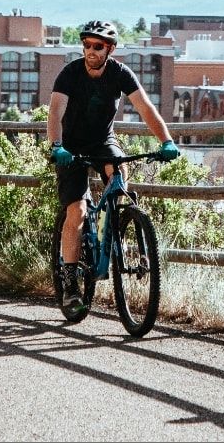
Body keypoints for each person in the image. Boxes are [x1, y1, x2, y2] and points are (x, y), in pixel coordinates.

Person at [47, 20, 180, 311]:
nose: (90, 51)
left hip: (102, 141)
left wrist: (166, 141)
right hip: (70, 147)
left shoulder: (121, 74)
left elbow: (145, 107)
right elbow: (55, 111)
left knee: (119, 176)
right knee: (77, 211)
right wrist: (57, 147)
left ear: (110, 49)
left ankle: (114, 231)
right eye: (86, 45)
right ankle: (71, 284)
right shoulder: (70, 74)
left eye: (97, 46)